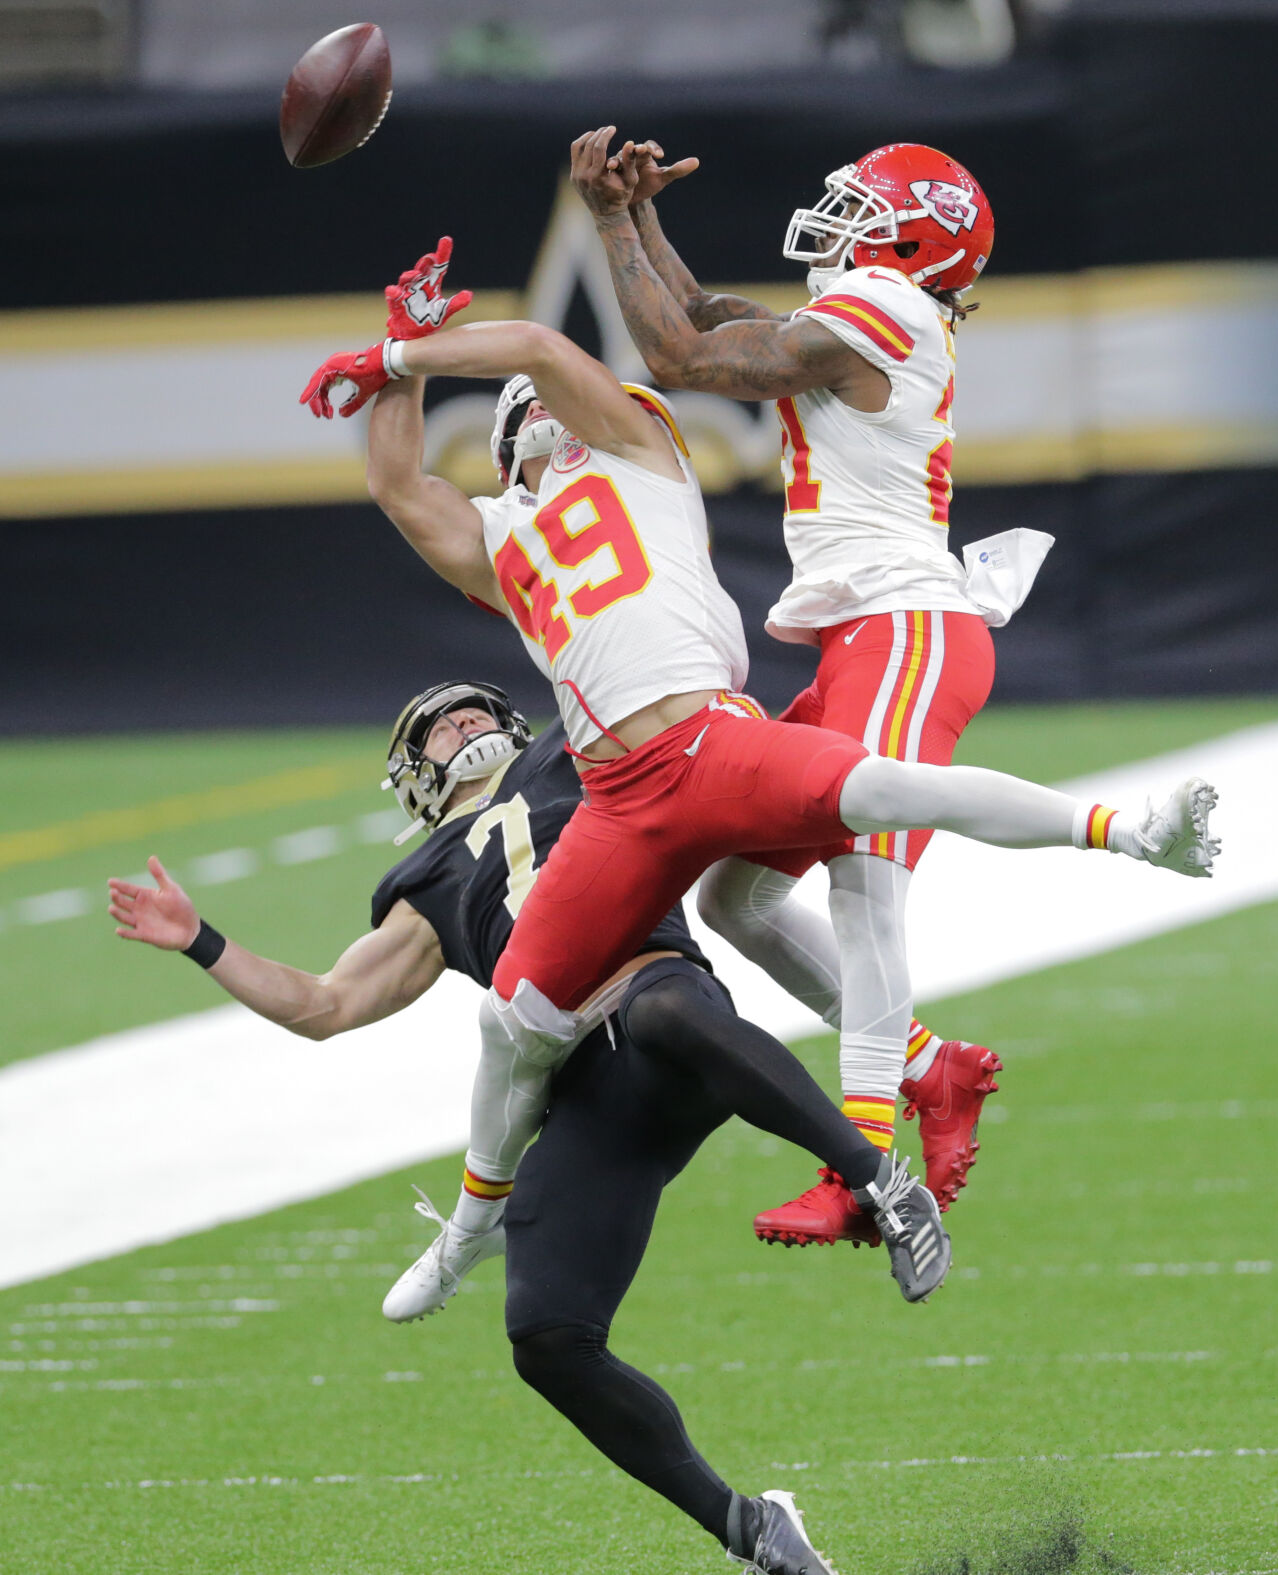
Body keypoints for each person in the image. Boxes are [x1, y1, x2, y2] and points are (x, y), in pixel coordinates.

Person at [297, 239, 1218, 1307]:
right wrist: (394, 375)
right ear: (504, 448)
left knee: (886, 791)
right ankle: (469, 1229)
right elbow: (396, 482)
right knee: (515, 1025)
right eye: (525, 413)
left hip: (711, 741)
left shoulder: (637, 447)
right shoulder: (501, 539)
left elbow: (544, 346)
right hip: (616, 795)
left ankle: (1133, 830)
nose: (545, 411)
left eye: (549, 403)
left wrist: (404, 348)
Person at [106, 677, 874, 1574]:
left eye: (472, 709)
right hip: (589, 1090)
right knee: (547, 1338)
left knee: (665, 1011)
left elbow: (687, 702)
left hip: (664, 997)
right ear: (410, 775)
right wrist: (204, 939)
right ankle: (751, 1528)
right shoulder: (424, 883)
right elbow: (323, 1003)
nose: (459, 721)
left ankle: (873, 1176)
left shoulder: (577, 752)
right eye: (433, 725)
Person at [569, 128, 1038, 1234]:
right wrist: (636, 217)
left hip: (905, 626)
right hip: (865, 637)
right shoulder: (873, 310)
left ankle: (863, 1169)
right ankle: (931, 1068)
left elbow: (680, 359)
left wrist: (603, 222)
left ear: (908, 241)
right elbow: (704, 323)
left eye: (860, 212)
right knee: (736, 894)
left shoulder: (891, 306)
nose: (837, 225)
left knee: (866, 891)